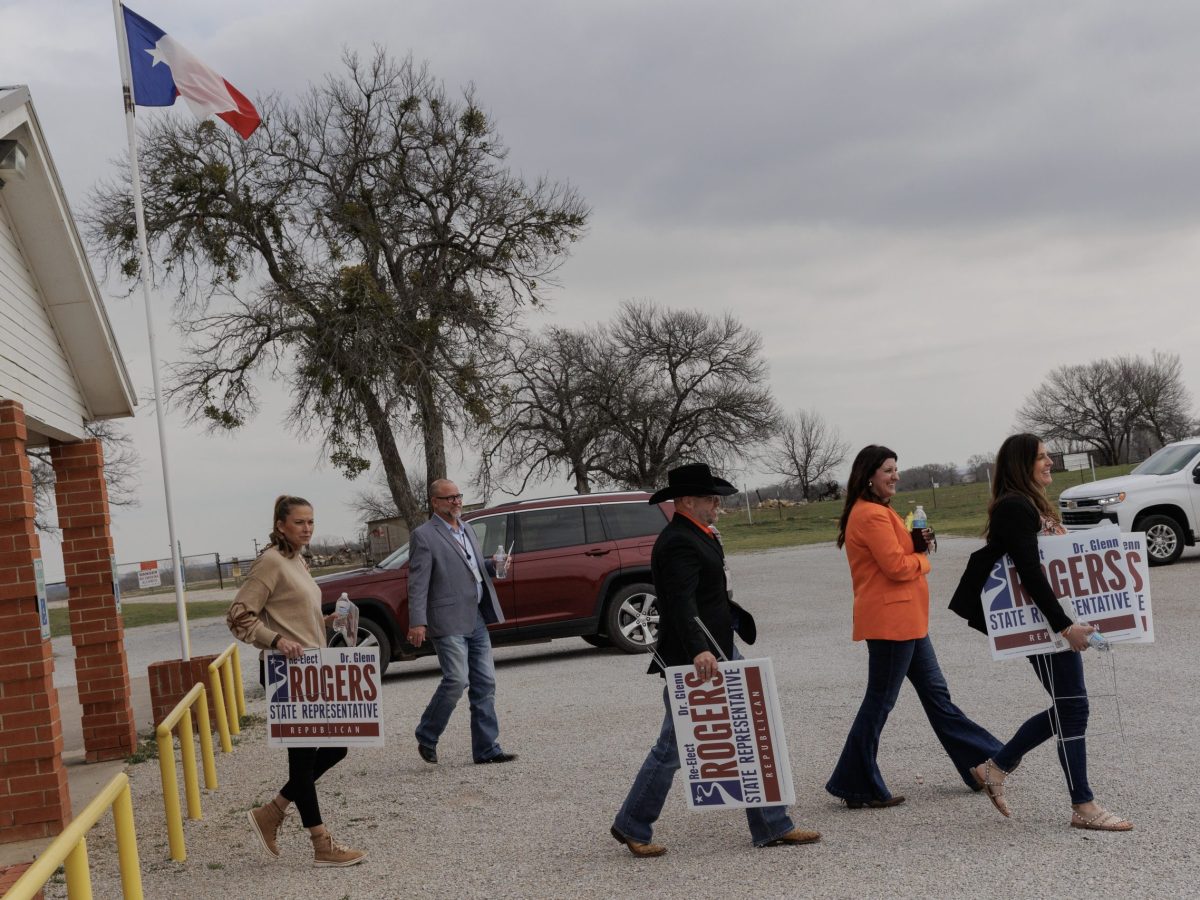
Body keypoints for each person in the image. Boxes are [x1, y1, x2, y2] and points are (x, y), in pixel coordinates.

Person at [611, 463, 821, 857]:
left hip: (720, 649)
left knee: (752, 735)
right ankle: (631, 824)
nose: (717, 505)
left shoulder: (697, 534)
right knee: (672, 748)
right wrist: (698, 650)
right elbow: (679, 602)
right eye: (711, 499)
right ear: (687, 501)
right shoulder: (677, 542)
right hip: (700, 658)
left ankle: (772, 824)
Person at [950, 434, 1133, 831]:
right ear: (1021, 464)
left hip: (1049, 622)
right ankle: (1082, 805)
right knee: (1074, 708)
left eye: (1049, 456)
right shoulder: (1015, 507)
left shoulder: (1029, 503)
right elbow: (1030, 573)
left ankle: (995, 767)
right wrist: (1065, 626)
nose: (1050, 462)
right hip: (1042, 626)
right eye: (1042, 457)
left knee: (1070, 708)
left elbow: (1057, 564)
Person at [826, 446, 1001, 809]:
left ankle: (981, 763)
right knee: (879, 702)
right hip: (891, 623)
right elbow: (897, 567)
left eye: (896, 469)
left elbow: (896, 553)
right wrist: (922, 557)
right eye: (888, 470)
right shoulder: (871, 515)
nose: (895, 476)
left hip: (907, 621)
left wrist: (916, 541)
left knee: (937, 695)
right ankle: (855, 783)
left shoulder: (881, 512)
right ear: (869, 475)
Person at [228, 495, 367, 867]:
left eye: (311, 522)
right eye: (300, 522)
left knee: (336, 748)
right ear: (280, 526)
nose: (307, 528)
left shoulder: (297, 560)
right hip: (288, 673)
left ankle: (272, 812)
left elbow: (294, 616)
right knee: (302, 759)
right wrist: (276, 641)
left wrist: (331, 622)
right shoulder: (270, 562)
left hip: (313, 669)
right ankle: (321, 843)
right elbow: (239, 616)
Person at [406, 478, 517, 765]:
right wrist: (417, 622)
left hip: (476, 616)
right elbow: (417, 583)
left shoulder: (466, 528)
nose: (456, 502)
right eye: (449, 498)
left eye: (458, 496)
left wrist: (494, 565)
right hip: (447, 620)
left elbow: (474, 568)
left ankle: (486, 749)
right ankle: (427, 734)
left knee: (485, 683)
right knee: (457, 680)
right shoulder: (424, 535)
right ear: (434, 502)